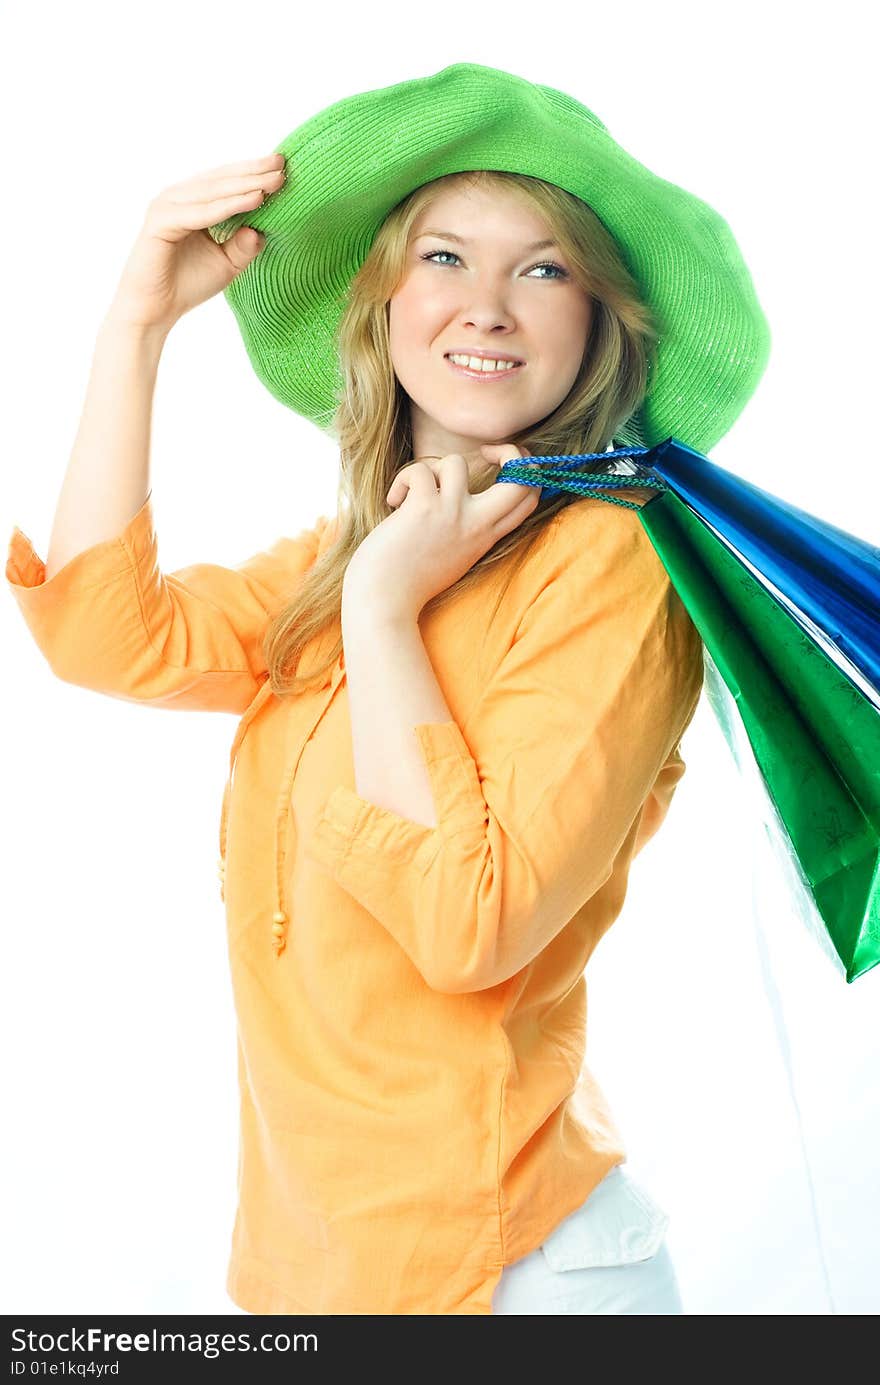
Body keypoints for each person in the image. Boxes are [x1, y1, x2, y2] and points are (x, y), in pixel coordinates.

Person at [5, 63, 770, 1315]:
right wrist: (135, 325)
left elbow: (471, 925)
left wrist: (381, 611)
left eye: (544, 268)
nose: (488, 306)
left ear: (598, 321)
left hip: (511, 1270)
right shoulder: (336, 556)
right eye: (442, 258)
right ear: (382, 303)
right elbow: (101, 636)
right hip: (311, 1266)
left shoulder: (614, 566)